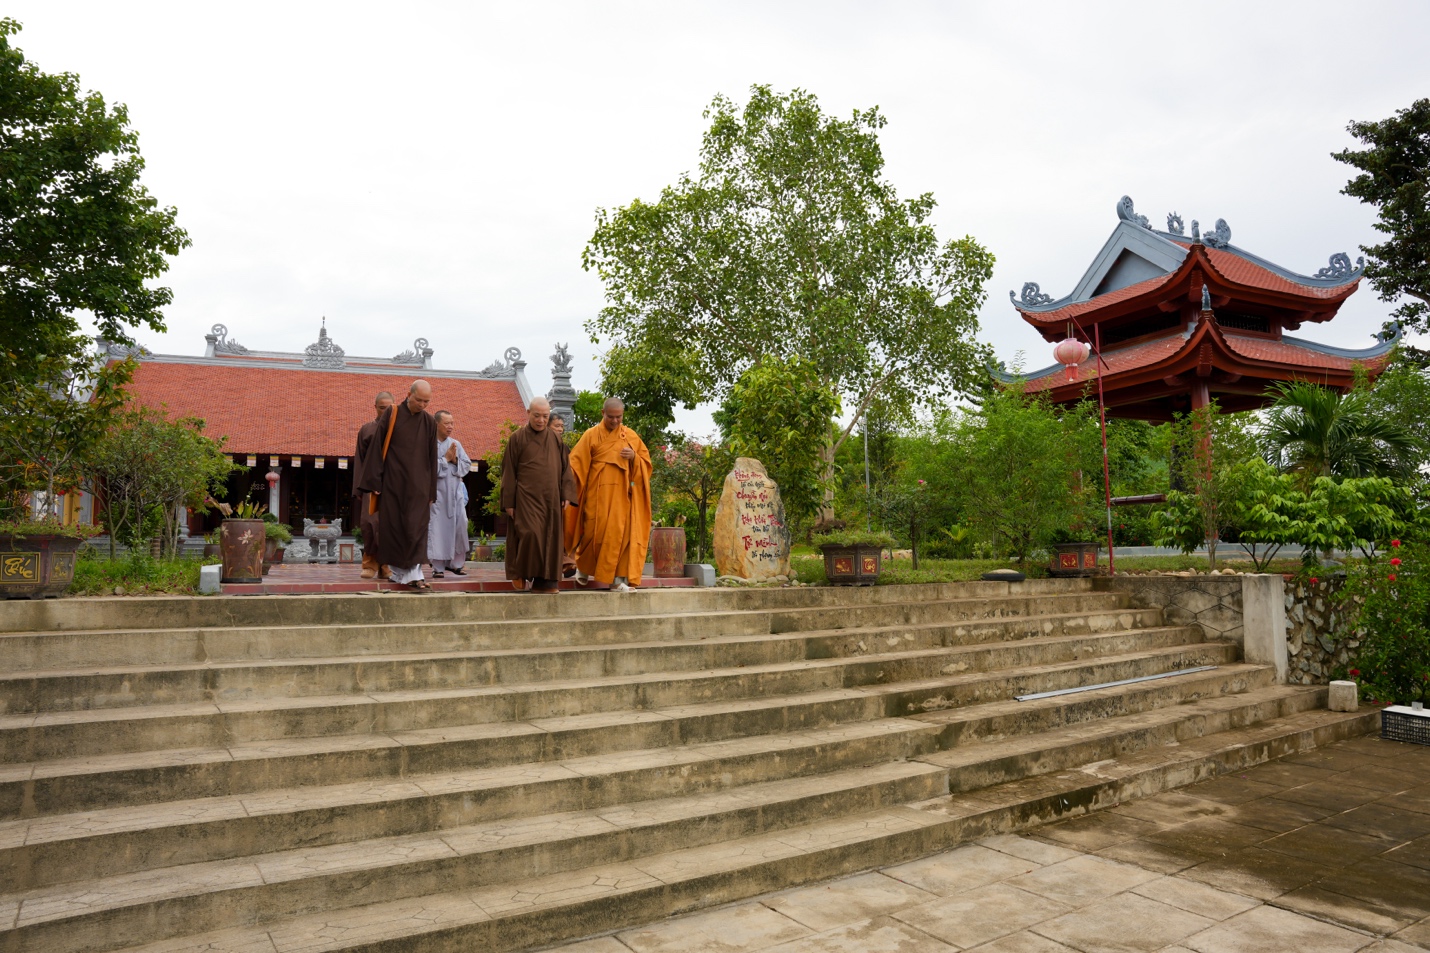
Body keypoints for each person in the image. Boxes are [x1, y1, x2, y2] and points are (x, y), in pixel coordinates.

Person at [356, 379, 438, 592]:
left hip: (419, 486)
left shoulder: (429, 423)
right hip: (393, 483)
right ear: (409, 395)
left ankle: (414, 574)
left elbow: (432, 457)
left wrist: (431, 490)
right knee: (394, 530)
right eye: (419, 400)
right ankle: (400, 574)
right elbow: (376, 448)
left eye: (427, 402)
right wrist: (375, 481)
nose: (422, 405)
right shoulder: (392, 415)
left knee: (415, 529)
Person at [568, 397, 652, 592]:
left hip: (622, 496)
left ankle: (617, 580)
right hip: (596, 494)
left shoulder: (630, 436)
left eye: (619, 417)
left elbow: (646, 465)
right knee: (592, 533)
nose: (615, 421)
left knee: (620, 535)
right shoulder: (591, 435)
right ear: (602, 413)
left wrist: (634, 458)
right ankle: (583, 569)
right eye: (611, 417)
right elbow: (575, 464)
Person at [500, 397, 576, 594]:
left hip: (551, 497)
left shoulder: (555, 438)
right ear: (528, 413)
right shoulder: (517, 438)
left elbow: (566, 468)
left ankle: (546, 582)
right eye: (537, 416)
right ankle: (522, 573)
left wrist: (566, 493)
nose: (541, 420)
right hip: (526, 497)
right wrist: (509, 501)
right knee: (530, 535)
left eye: (545, 416)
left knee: (550, 538)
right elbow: (508, 471)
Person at [352, 390, 394, 579]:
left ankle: (386, 564)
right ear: (375, 407)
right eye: (381, 408)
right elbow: (360, 460)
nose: (385, 412)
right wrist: (359, 488)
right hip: (370, 484)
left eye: (389, 408)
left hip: (394, 485)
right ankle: (369, 562)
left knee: (388, 525)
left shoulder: (399, 431)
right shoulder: (366, 429)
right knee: (369, 524)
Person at [428, 410, 472, 577]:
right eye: (447, 423)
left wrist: (455, 460)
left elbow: (466, 466)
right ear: (437, 424)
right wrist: (445, 459)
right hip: (438, 494)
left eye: (452, 423)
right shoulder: (429, 444)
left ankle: (456, 564)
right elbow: (427, 470)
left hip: (455, 493)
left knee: (461, 525)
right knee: (438, 529)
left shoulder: (456, 444)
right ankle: (438, 567)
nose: (450, 427)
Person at [549, 414, 579, 578]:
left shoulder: (563, 447)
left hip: (558, 496)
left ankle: (565, 562)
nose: (560, 429)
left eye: (562, 426)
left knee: (559, 531)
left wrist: (566, 494)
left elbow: (568, 472)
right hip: (538, 496)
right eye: (556, 426)